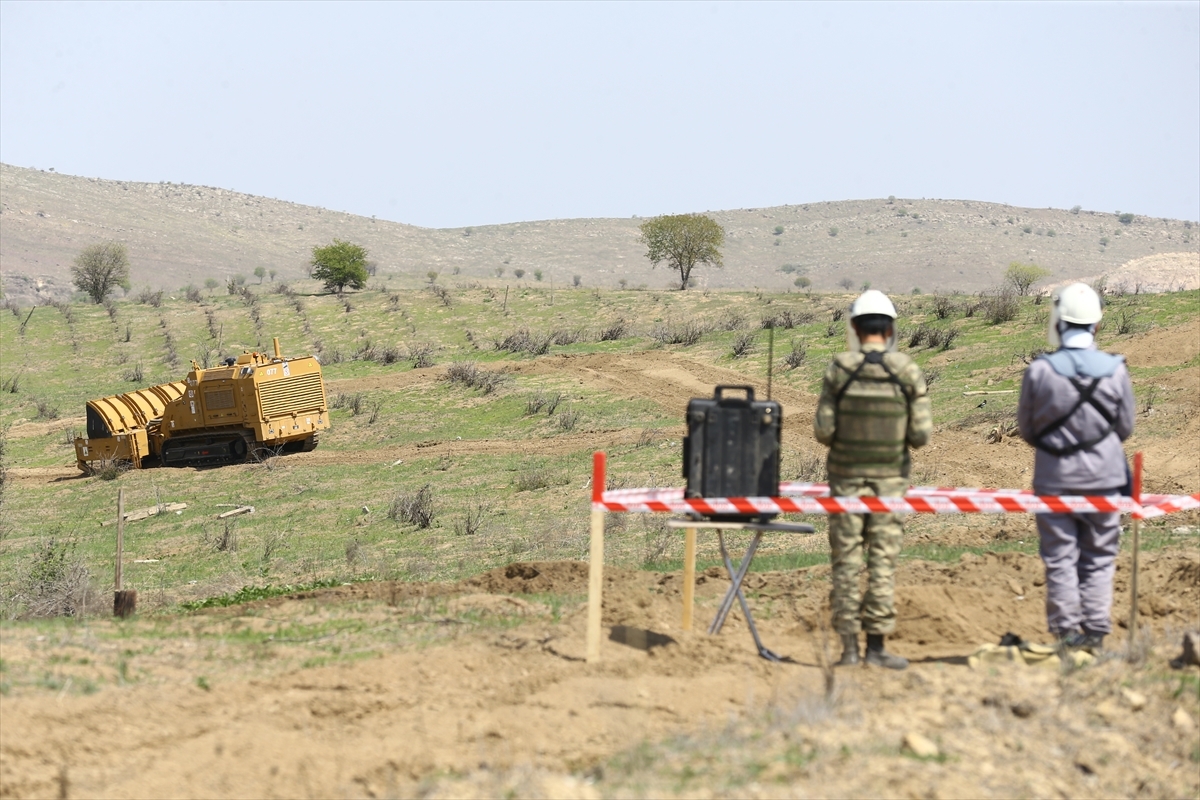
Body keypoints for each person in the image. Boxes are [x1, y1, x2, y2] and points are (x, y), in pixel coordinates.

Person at [814, 290, 932, 669]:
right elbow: (920, 437)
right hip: (890, 484)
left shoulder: (839, 369)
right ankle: (877, 649)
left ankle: (849, 650)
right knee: (882, 561)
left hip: (846, 482)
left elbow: (823, 431)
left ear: (855, 328)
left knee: (846, 562)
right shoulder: (907, 371)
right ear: (890, 329)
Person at [1017, 282, 1134, 654]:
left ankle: (1067, 634)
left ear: (1059, 322)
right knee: (1100, 556)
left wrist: (1058, 449)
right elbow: (1125, 427)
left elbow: (1027, 428)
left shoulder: (1040, 370)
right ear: (1096, 325)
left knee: (1060, 557)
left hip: (1055, 480)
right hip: (1107, 479)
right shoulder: (1116, 369)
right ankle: (1096, 633)